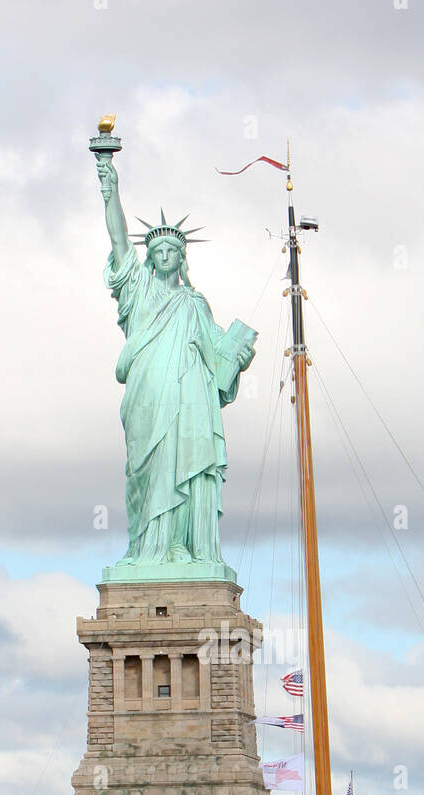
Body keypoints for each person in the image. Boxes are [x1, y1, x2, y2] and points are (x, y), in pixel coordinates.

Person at [93, 148, 256, 571]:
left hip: (191, 402)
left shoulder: (195, 303)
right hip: (149, 396)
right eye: (158, 251)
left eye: (172, 251)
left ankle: (183, 546)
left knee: (187, 463)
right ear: (149, 259)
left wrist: (239, 355)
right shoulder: (139, 292)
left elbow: (219, 356)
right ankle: (150, 547)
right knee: (149, 468)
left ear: (182, 259)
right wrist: (110, 188)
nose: (165, 256)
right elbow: (117, 240)